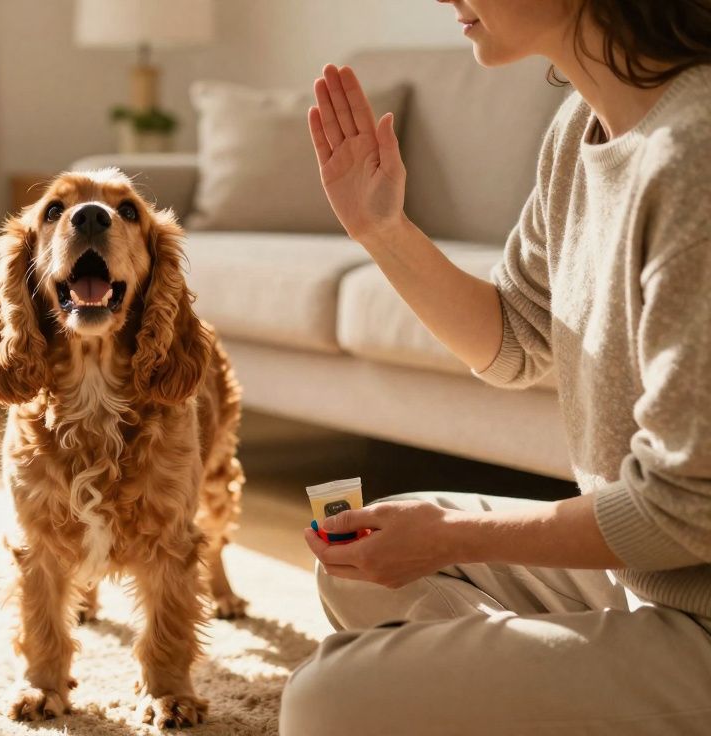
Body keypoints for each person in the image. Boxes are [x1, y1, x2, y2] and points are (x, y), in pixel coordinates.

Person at [280, 0, 711, 732]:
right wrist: (381, 229)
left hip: (698, 609)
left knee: (325, 701)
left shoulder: (693, 153)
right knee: (362, 563)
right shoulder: (578, 131)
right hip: (646, 582)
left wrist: (455, 533)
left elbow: (686, 508)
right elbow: (513, 341)